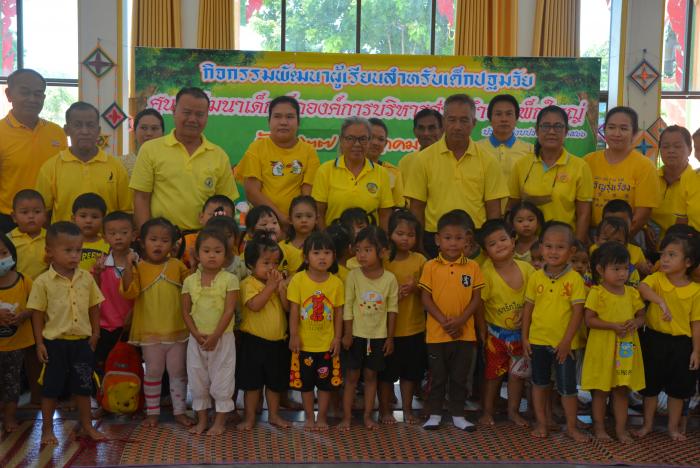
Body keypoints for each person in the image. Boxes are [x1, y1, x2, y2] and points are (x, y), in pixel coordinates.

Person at [28, 222, 105, 444]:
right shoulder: (42, 282)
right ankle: (47, 431)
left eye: (78, 250)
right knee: (51, 389)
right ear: (49, 252)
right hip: (55, 344)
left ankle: (87, 426)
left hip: (82, 343)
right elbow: (37, 314)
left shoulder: (87, 278)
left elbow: (94, 307)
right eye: (68, 250)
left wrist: (95, 334)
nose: (74, 255)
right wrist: (39, 343)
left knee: (83, 387)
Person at [406, 94, 507, 258]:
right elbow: (417, 207)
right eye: (452, 120)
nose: (458, 126)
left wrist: (490, 246)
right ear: (444, 122)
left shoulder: (488, 161)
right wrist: (419, 247)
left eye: (464, 120)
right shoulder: (423, 159)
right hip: (434, 241)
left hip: (474, 241)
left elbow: (493, 211)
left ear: (473, 123)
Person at [130, 87, 238, 231]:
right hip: (163, 242)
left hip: (204, 244)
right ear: (174, 111)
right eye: (186, 113)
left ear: (207, 116)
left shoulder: (219, 155)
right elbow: (141, 198)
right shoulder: (150, 150)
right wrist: (148, 238)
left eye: (199, 114)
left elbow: (225, 205)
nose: (192, 119)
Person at [120, 217, 192, 428]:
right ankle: (152, 413)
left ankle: (180, 412)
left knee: (178, 371)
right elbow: (128, 292)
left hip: (177, 331)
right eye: (153, 239)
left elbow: (192, 288)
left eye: (164, 240)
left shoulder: (177, 265)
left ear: (173, 245)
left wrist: (195, 265)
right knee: (153, 371)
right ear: (142, 242)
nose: (158, 244)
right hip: (149, 332)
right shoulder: (138, 267)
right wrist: (127, 266)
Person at [521, 221, 588, 441]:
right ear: (541, 248)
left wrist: (567, 341)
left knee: (568, 389)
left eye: (560, 247)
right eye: (548, 246)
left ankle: (571, 427)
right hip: (538, 341)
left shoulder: (575, 280)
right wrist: (524, 337)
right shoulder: (535, 277)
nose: (553, 252)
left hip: (564, 345)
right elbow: (528, 310)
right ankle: (542, 423)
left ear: (572, 251)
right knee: (539, 384)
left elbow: (577, 314)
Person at [419, 209, 482, 432]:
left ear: (467, 241)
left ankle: (458, 415)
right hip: (437, 334)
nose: (453, 243)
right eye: (447, 238)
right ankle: (435, 414)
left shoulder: (473, 267)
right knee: (437, 377)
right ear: (437, 240)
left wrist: (461, 321)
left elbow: (476, 298)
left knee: (459, 377)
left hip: (465, 333)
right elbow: (425, 297)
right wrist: (444, 322)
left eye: (458, 238)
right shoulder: (430, 266)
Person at [636, 229, 700, 441]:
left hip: (683, 345)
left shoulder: (695, 291)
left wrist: (696, 351)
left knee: (678, 390)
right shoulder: (657, 279)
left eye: (672, 255)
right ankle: (647, 425)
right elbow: (642, 287)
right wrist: (659, 301)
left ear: (688, 262)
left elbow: (696, 323)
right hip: (655, 340)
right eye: (663, 254)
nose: (664, 258)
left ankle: (673, 428)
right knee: (651, 387)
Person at [581, 242, 645, 443]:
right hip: (602, 347)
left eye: (625, 268)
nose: (622, 274)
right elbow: (589, 320)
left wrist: (635, 322)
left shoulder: (632, 293)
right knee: (600, 391)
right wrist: (612, 326)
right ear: (600, 269)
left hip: (625, 349)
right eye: (616, 269)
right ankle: (599, 428)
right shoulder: (597, 293)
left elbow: (642, 315)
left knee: (621, 390)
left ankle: (620, 430)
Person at [476, 219, 534, 427]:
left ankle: (513, 412)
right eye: (492, 244)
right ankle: (487, 412)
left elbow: (535, 299)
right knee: (493, 376)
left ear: (513, 240)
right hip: (496, 336)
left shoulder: (527, 269)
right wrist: (482, 332)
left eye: (503, 239)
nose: (499, 245)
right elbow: (479, 306)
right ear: (486, 251)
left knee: (517, 376)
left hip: (522, 335)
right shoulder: (486, 273)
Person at [340, 225, 398, 431]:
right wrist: (347, 334)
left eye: (367, 250)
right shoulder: (354, 276)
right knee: (352, 377)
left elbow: (392, 310)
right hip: (356, 336)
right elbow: (348, 306)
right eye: (358, 250)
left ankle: (367, 416)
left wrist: (390, 338)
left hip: (379, 337)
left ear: (382, 251)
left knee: (372, 376)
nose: (361, 255)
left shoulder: (390, 279)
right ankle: (346, 417)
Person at [181, 228, 239, 436]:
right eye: (206, 251)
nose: (212, 255)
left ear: (226, 256)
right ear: (197, 254)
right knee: (198, 381)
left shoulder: (230, 279)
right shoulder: (189, 281)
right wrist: (196, 335)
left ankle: (219, 422)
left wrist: (214, 336)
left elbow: (229, 310)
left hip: (222, 338)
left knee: (222, 380)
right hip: (196, 340)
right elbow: (186, 312)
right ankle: (202, 421)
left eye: (217, 251)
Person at [508, 105, 593, 243]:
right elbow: (512, 207)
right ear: (536, 130)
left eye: (558, 126)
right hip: (527, 245)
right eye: (546, 126)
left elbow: (584, 214)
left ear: (566, 131)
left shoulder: (580, 166)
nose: (552, 131)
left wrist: (576, 246)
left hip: (563, 244)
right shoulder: (522, 165)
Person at [35, 101, 131, 223]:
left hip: (105, 241)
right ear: (67, 130)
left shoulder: (115, 166)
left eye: (90, 125)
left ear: (98, 130)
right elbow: (42, 213)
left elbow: (126, 212)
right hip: (64, 241)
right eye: (78, 125)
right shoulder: (50, 167)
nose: (85, 131)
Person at [287, 231, 344, 431]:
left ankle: (322, 418)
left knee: (326, 385)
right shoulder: (298, 280)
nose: (322, 257)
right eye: (317, 252)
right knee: (306, 385)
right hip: (303, 345)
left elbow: (338, 313)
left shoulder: (336, 283)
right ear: (306, 257)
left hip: (327, 345)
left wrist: (337, 338)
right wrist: (294, 335)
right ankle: (309, 417)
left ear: (334, 256)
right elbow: (294, 310)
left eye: (327, 253)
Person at [0, 69, 67, 233]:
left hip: (50, 220)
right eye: (25, 92)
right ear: (9, 94)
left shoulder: (56, 132)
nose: (32, 99)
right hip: (8, 221)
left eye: (38, 94)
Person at [236, 232, 291, 430]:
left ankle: (274, 415)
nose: (272, 268)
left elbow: (286, 308)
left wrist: (281, 289)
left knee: (275, 384)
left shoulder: (278, 283)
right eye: (266, 263)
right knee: (252, 385)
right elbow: (255, 305)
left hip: (277, 342)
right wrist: (270, 287)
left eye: (275, 263)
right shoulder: (247, 284)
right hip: (254, 342)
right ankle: (249, 418)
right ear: (251, 264)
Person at [238, 96, 320, 223]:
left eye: (289, 117)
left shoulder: (309, 151)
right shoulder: (256, 148)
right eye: (277, 116)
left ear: (298, 122)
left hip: (297, 225)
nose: (283, 122)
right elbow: (252, 192)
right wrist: (280, 219)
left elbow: (307, 195)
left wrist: (296, 221)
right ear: (269, 121)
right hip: (264, 223)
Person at [379, 209, 427, 425]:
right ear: (389, 234)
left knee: (410, 374)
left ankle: (407, 409)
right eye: (400, 233)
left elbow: (430, 291)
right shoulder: (383, 260)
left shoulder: (421, 260)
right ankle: (385, 409)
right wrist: (392, 294)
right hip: (387, 330)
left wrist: (416, 287)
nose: (405, 239)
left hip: (414, 327)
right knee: (387, 374)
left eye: (410, 235)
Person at [584, 106, 660, 235]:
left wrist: (618, 237)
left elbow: (643, 212)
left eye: (624, 128)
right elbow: (581, 206)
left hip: (628, 235)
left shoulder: (645, 166)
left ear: (634, 133)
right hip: (592, 234)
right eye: (611, 127)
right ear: (604, 130)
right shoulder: (587, 161)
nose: (616, 134)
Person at [312, 117, 394, 230]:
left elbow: (384, 215)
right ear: (341, 140)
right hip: (334, 242)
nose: (357, 144)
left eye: (363, 139)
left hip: (369, 245)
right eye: (350, 138)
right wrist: (326, 243)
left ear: (369, 141)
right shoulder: (325, 171)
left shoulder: (381, 173)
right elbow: (319, 213)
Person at [92, 211, 135, 378]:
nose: (118, 237)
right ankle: (100, 396)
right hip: (106, 325)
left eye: (124, 233)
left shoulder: (140, 263)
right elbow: (94, 293)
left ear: (134, 235)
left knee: (130, 363)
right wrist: (96, 273)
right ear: (104, 237)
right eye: (112, 233)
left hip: (133, 325)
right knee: (103, 363)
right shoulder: (101, 264)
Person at [0, 232, 33, 433]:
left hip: (15, 345)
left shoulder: (23, 280)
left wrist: (22, 316)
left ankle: (10, 417)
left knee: (12, 384)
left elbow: (36, 306)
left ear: (12, 254)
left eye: (3, 253)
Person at [476, 94, 533, 183]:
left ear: (516, 118)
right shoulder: (476, 149)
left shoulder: (530, 151)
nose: (504, 119)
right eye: (498, 114)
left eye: (509, 114)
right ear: (490, 119)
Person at [651, 125, 694, 244]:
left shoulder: (696, 181)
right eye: (665, 146)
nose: (671, 151)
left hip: (684, 247)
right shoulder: (649, 177)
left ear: (690, 149)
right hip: (647, 245)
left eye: (677, 146)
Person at [181, 195, 236, 268]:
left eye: (224, 217)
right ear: (201, 217)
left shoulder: (235, 243)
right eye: (212, 215)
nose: (217, 221)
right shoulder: (185, 242)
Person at [9, 189, 48, 280]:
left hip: (44, 290)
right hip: (17, 288)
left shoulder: (52, 238)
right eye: (24, 212)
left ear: (45, 215)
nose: (31, 216)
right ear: (14, 217)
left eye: (37, 212)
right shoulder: (7, 240)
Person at [367, 118, 405, 208]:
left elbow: (399, 207)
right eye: (371, 137)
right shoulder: (345, 168)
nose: (375, 143)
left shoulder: (393, 173)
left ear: (385, 143)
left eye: (380, 139)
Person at [398, 109, 444, 183]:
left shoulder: (452, 160)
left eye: (431, 128)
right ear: (414, 131)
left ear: (442, 130)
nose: (426, 133)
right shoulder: (405, 162)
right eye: (421, 128)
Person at [119, 108, 165, 176]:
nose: (149, 133)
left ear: (163, 133)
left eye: (154, 128)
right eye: (143, 128)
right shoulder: (121, 163)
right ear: (135, 131)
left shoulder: (171, 161)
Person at [279, 195, 318, 275]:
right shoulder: (281, 247)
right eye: (298, 216)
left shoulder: (323, 246)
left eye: (309, 216)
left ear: (316, 219)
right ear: (290, 220)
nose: (304, 220)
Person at [71, 193, 110, 272]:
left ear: (104, 220)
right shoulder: (67, 243)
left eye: (94, 217)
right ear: (73, 219)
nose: (88, 221)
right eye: (83, 216)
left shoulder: (108, 244)